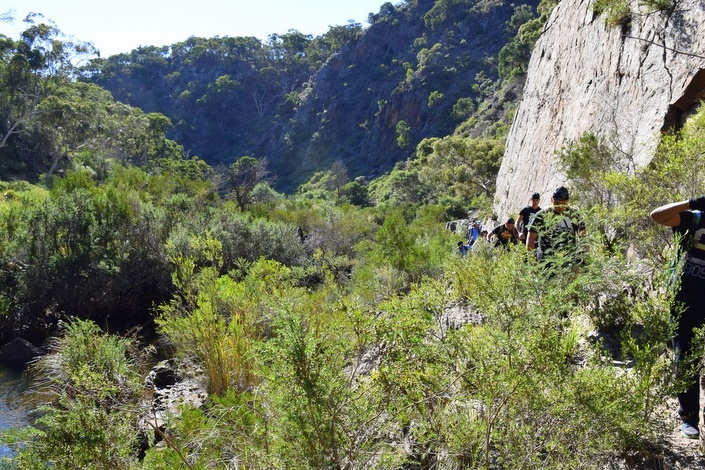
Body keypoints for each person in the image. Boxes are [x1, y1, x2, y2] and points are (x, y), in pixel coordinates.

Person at [650, 195, 705, 439]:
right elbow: (657, 216)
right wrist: (693, 202)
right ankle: (689, 418)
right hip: (685, 299)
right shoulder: (695, 219)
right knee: (686, 359)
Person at [526, 186, 585, 264]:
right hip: (546, 262)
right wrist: (531, 261)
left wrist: (583, 259)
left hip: (568, 260)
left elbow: (583, 237)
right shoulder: (542, 215)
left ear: (568, 202)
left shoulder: (574, 215)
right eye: (557, 203)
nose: (560, 206)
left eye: (564, 203)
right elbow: (531, 238)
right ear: (551, 200)